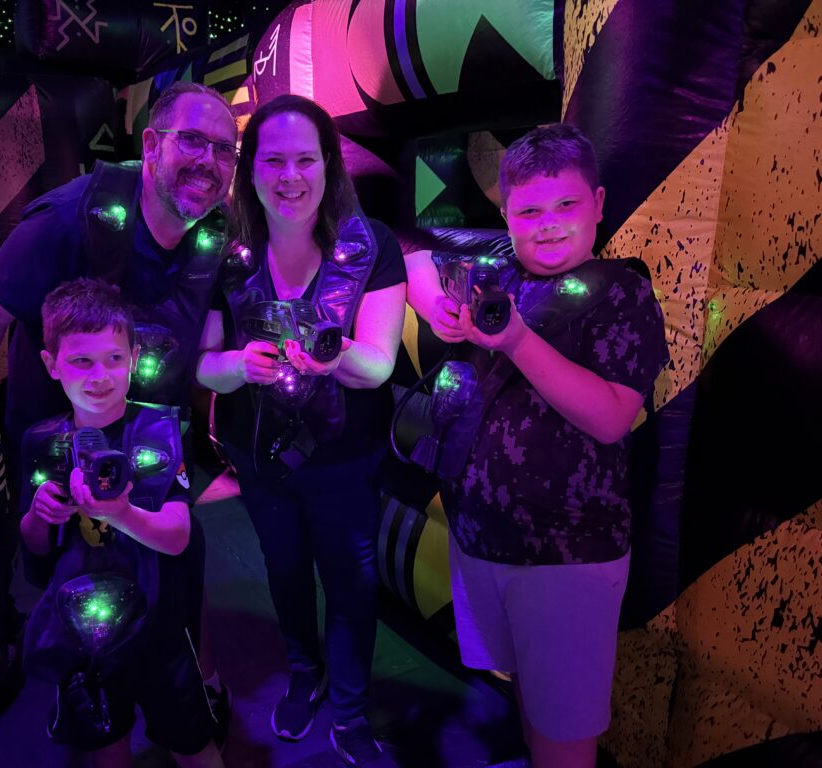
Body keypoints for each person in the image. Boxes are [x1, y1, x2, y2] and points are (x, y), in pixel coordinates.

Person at [0, 81, 237, 740]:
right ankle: (94, 701)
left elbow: (204, 334)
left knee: (178, 563)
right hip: (60, 448)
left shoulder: (213, 237)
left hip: (152, 445)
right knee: (76, 582)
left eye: (223, 149)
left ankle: (193, 685)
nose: (208, 160)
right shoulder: (69, 218)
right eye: (192, 141)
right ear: (152, 144)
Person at [405, 124, 670, 768]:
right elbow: (411, 257)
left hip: (565, 557)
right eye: (528, 211)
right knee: (530, 700)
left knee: (564, 736)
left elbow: (611, 418)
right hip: (481, 539)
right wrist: (442, 311)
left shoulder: (621, 291)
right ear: (506, 215)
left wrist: (518, 341)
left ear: (598, 204)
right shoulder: (498, 274)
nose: (547, 225)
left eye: (565, 205)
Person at [196, 95, 406, 767]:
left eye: (305, 160)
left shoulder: (371, 246)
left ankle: (349, 709)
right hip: (260, 457)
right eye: (273, 161)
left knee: (351, 585)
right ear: (250, 169)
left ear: (328, 164)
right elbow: (202, 364)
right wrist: (239, 364)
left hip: (344, 458)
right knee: (284, 571)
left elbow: (379, 365)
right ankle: (303, 673)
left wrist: (332, 357)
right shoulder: (224, 254)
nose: (290, 177)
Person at [19, 278, 223, 768]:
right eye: (81, 361)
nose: (100, 376)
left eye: (113, 358)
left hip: (158, 625)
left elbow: (178, 536)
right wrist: (39, 514)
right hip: (82, 632)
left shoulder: (160, 429)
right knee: (106, 746)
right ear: (51, 364)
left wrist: (122, 514)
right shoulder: (41, 441)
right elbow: (34, 553)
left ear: (134, 359)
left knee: (192, 744)